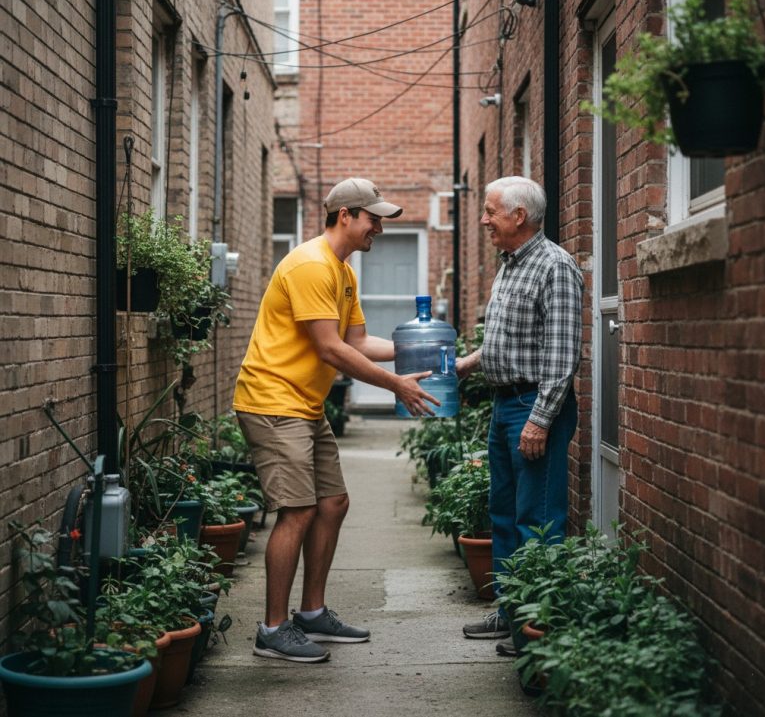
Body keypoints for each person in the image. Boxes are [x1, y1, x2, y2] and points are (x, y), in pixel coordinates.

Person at [233, 177, 439, 664]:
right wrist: (398, 385)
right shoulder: (310, 265)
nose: (380, 231)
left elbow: (360, 343)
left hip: (304, 404)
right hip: (272, 402)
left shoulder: (343, 273)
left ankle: (311, 612)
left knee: (333, 503)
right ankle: (273, 629)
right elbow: (330, 348)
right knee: (298, 510)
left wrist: (432, 351)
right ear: (345, 215)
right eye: (374, 220)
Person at [456, 176, 583, 652]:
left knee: (539, 518)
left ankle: (539, 625)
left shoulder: (556, 267)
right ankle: (512, 611)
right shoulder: (509, 265)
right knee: (505, 513)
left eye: (491, 212)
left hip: (534, 406)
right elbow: (504, 343)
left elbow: (561, 355)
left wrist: (540, 419)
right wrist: (467, 365)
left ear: (519, 217)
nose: (484, 219)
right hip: (504, 403)